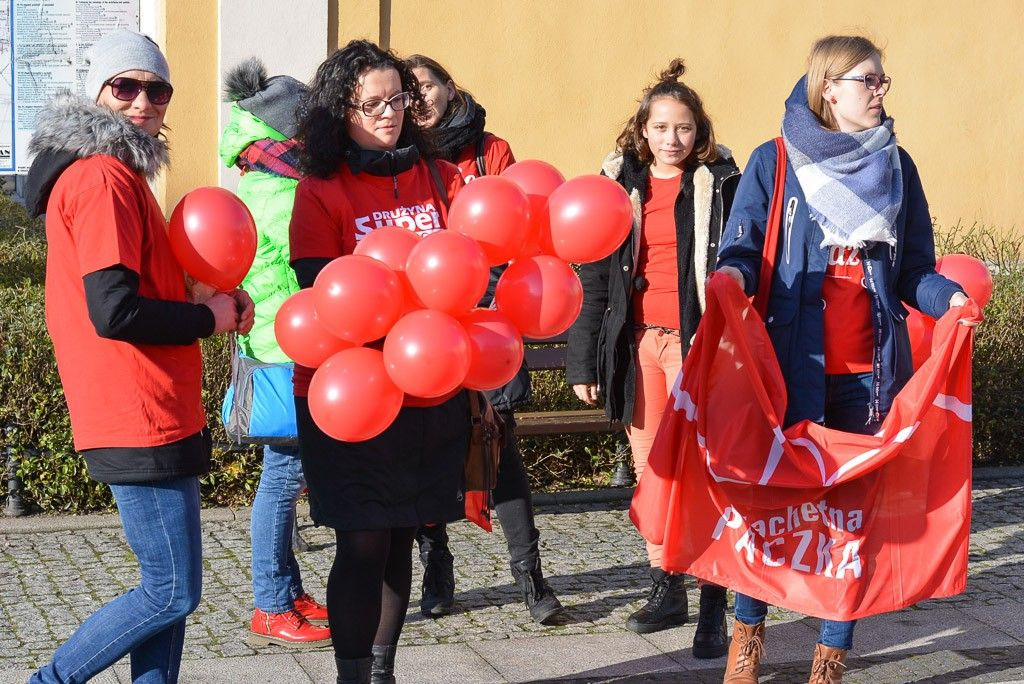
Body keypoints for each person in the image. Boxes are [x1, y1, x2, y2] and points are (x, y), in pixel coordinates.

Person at [714, 36, 968, 683]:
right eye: (869, 81)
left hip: (869, 381)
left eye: (884, 81)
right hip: (784, 374)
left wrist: (952, 298)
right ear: (830, 88)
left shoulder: (897, 166)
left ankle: (831, 657)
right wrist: (731, 283)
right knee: (769, 511)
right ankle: (748, 637)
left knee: (847, 527)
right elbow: (741, 252)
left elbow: (913, 271)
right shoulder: (775, 163)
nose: (881, 91)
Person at [23, 29, 253, 683]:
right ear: (96, 93)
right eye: (126, 86)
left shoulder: (118, 173)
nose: (143, 101)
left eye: (158, 88)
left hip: (156, 404)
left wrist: (208, 298)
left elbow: (137, 288)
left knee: (168, 602)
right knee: (170, 591)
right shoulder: (101, 178)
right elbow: (114, 310)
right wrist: (204, 317)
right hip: (135, 409)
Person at [289, 40, 469, 684]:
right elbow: (319, 287)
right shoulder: (321, 189)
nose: (387, 114)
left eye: (397, 99)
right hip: (351, 390)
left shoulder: (438, 177)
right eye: (370, 104)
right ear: (341, 111)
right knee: (362, 539)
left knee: (400, 534)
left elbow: (467, 272)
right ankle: (351, 674)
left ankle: (384, 672)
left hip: (427, 390)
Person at [565, 59, 738, 657]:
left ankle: (715, 600)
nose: (672, 139)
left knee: (706, 469)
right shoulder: (618, 190)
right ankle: (666, 584)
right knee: (653, 473)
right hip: (639, 344)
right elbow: (592, 278)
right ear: (643, 131)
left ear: (699, 132)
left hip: (697, 347)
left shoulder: (722, 185)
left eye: (683, 128)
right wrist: (583, 361)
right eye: (661, 128)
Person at [404, 53, 564, 625]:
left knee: (501, 453)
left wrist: (485, 298)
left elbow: (512, 232)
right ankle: (436, 564)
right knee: (424, 454)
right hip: (424, 327)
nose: (416, 98)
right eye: (407, 90)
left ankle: (531, 578)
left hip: (489, 319)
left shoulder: (489, 150)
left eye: (425, 85)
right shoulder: (400, 159)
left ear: (450, 87)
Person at [219, 57, 331, 647]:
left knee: (286, 473)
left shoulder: (267, 173)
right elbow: (300, 268)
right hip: (284, 346)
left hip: (283, 340)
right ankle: (269, 601)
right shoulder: (279, 188)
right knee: (284, 476)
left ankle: (285, 587)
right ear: (292, 131)